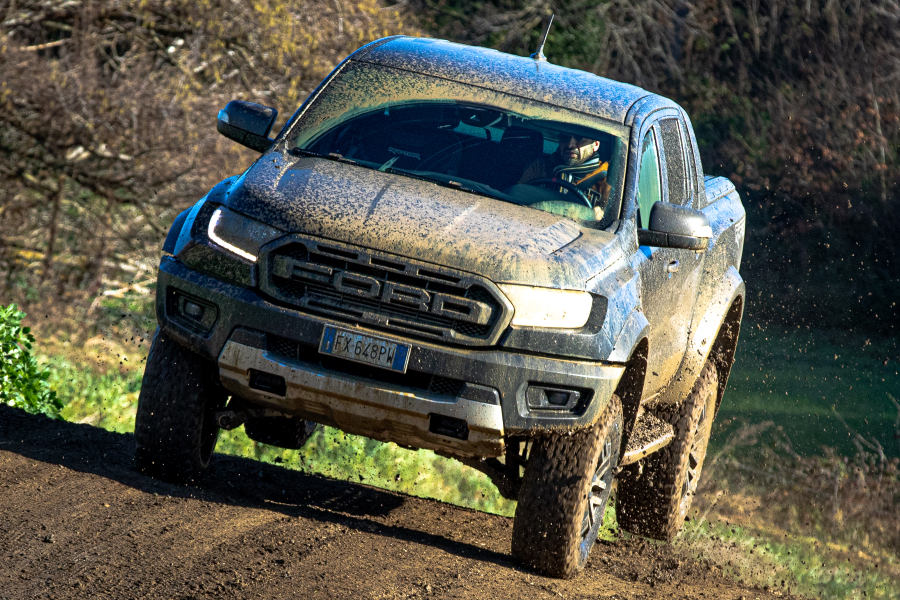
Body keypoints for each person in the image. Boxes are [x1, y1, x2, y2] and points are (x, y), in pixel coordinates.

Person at [518, 134, 611, 219]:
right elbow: (517, 198)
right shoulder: (540, 167)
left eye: (580, 138)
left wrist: (596, 216)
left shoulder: (607, 179)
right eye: (565, 137)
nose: (570, 145)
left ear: (595, 145)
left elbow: (606, 222)